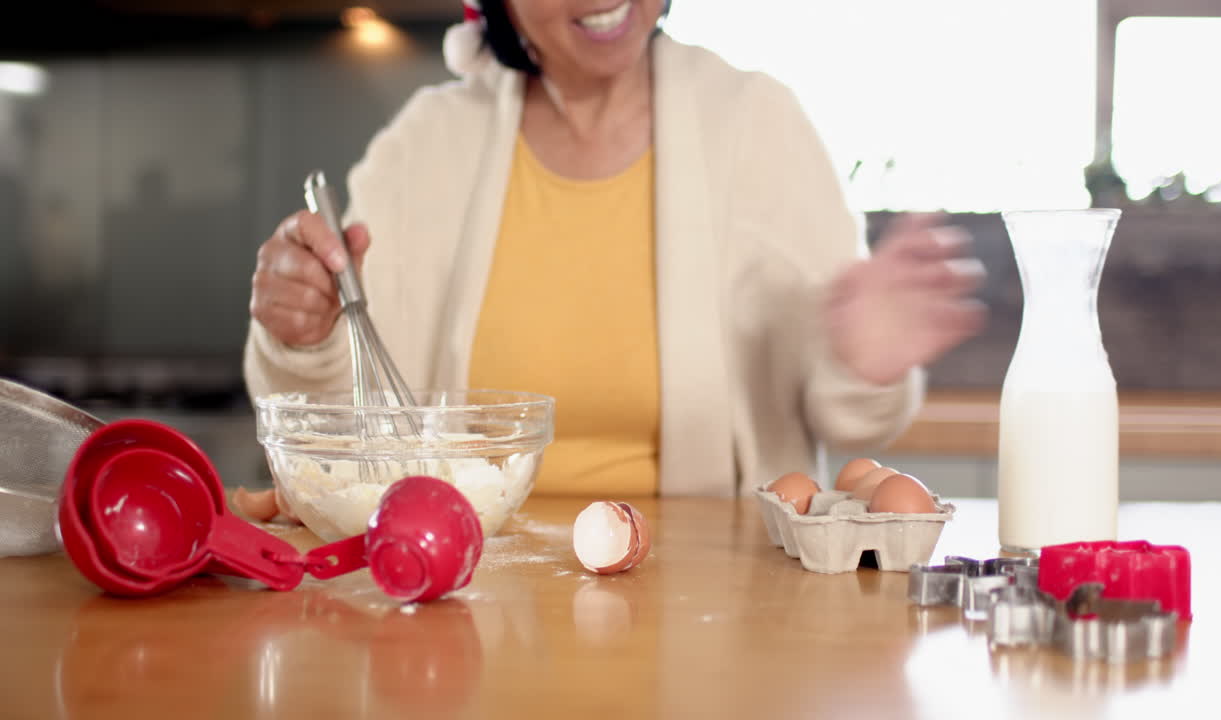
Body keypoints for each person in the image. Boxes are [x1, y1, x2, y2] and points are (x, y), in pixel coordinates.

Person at [242, 0, 986, 502]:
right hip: (467, 600)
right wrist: (307, 338)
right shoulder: (423, 147)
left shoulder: (759, 124)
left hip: (711, 615)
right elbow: (344, 430)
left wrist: (857, 364)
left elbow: (847, 421)